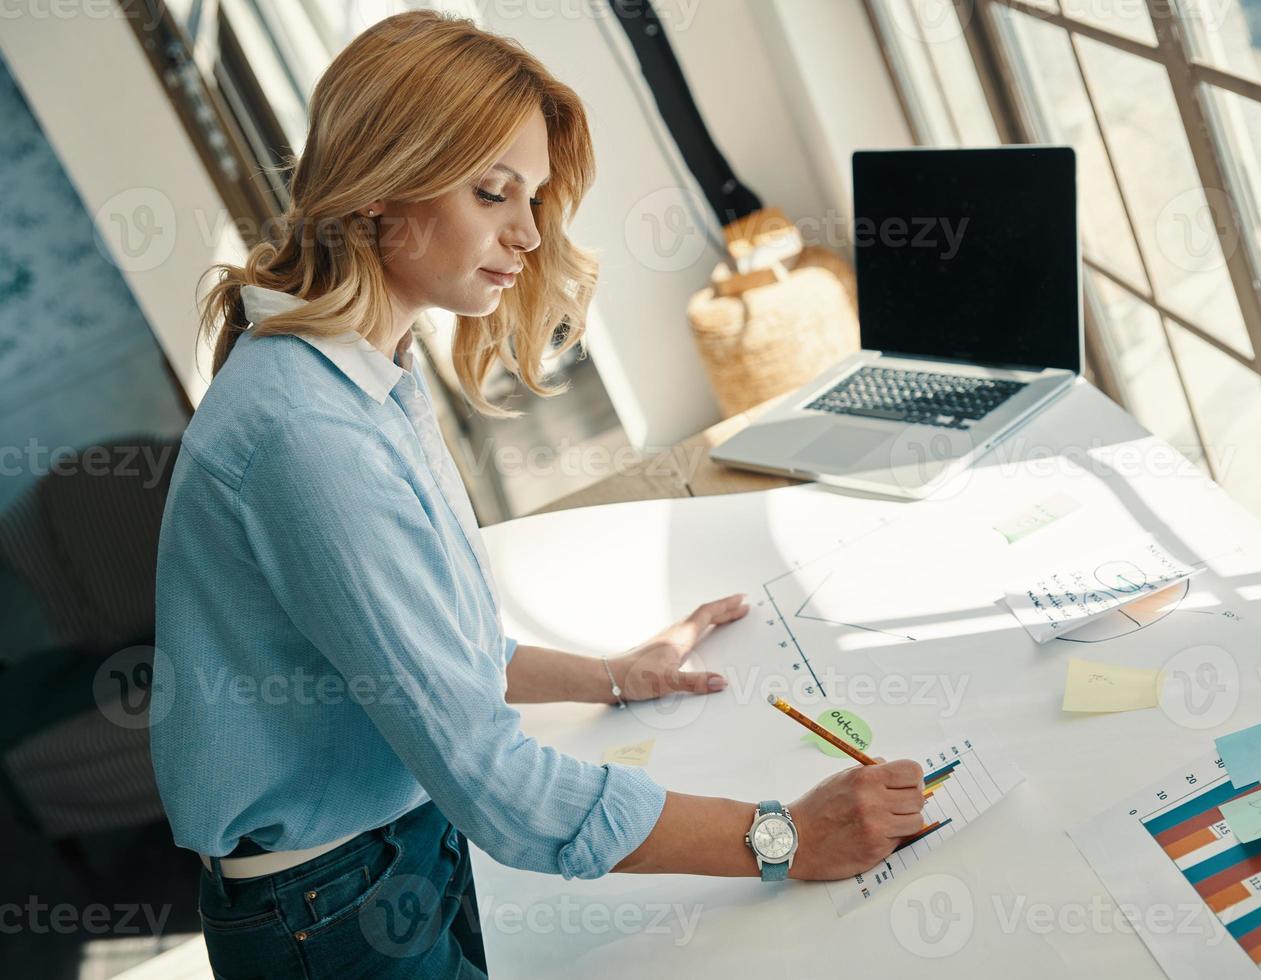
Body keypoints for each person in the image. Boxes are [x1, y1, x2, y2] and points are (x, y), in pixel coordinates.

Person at [151, 10, 925, 977]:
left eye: (534, 197)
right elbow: (497, 785)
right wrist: (784, 838)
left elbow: (425, 648)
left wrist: (610, 675)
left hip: (384, 855)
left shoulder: (357, 370)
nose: (526, 234)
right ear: (381, 186)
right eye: (493, 193)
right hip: (332, 906)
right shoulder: (309, 437)